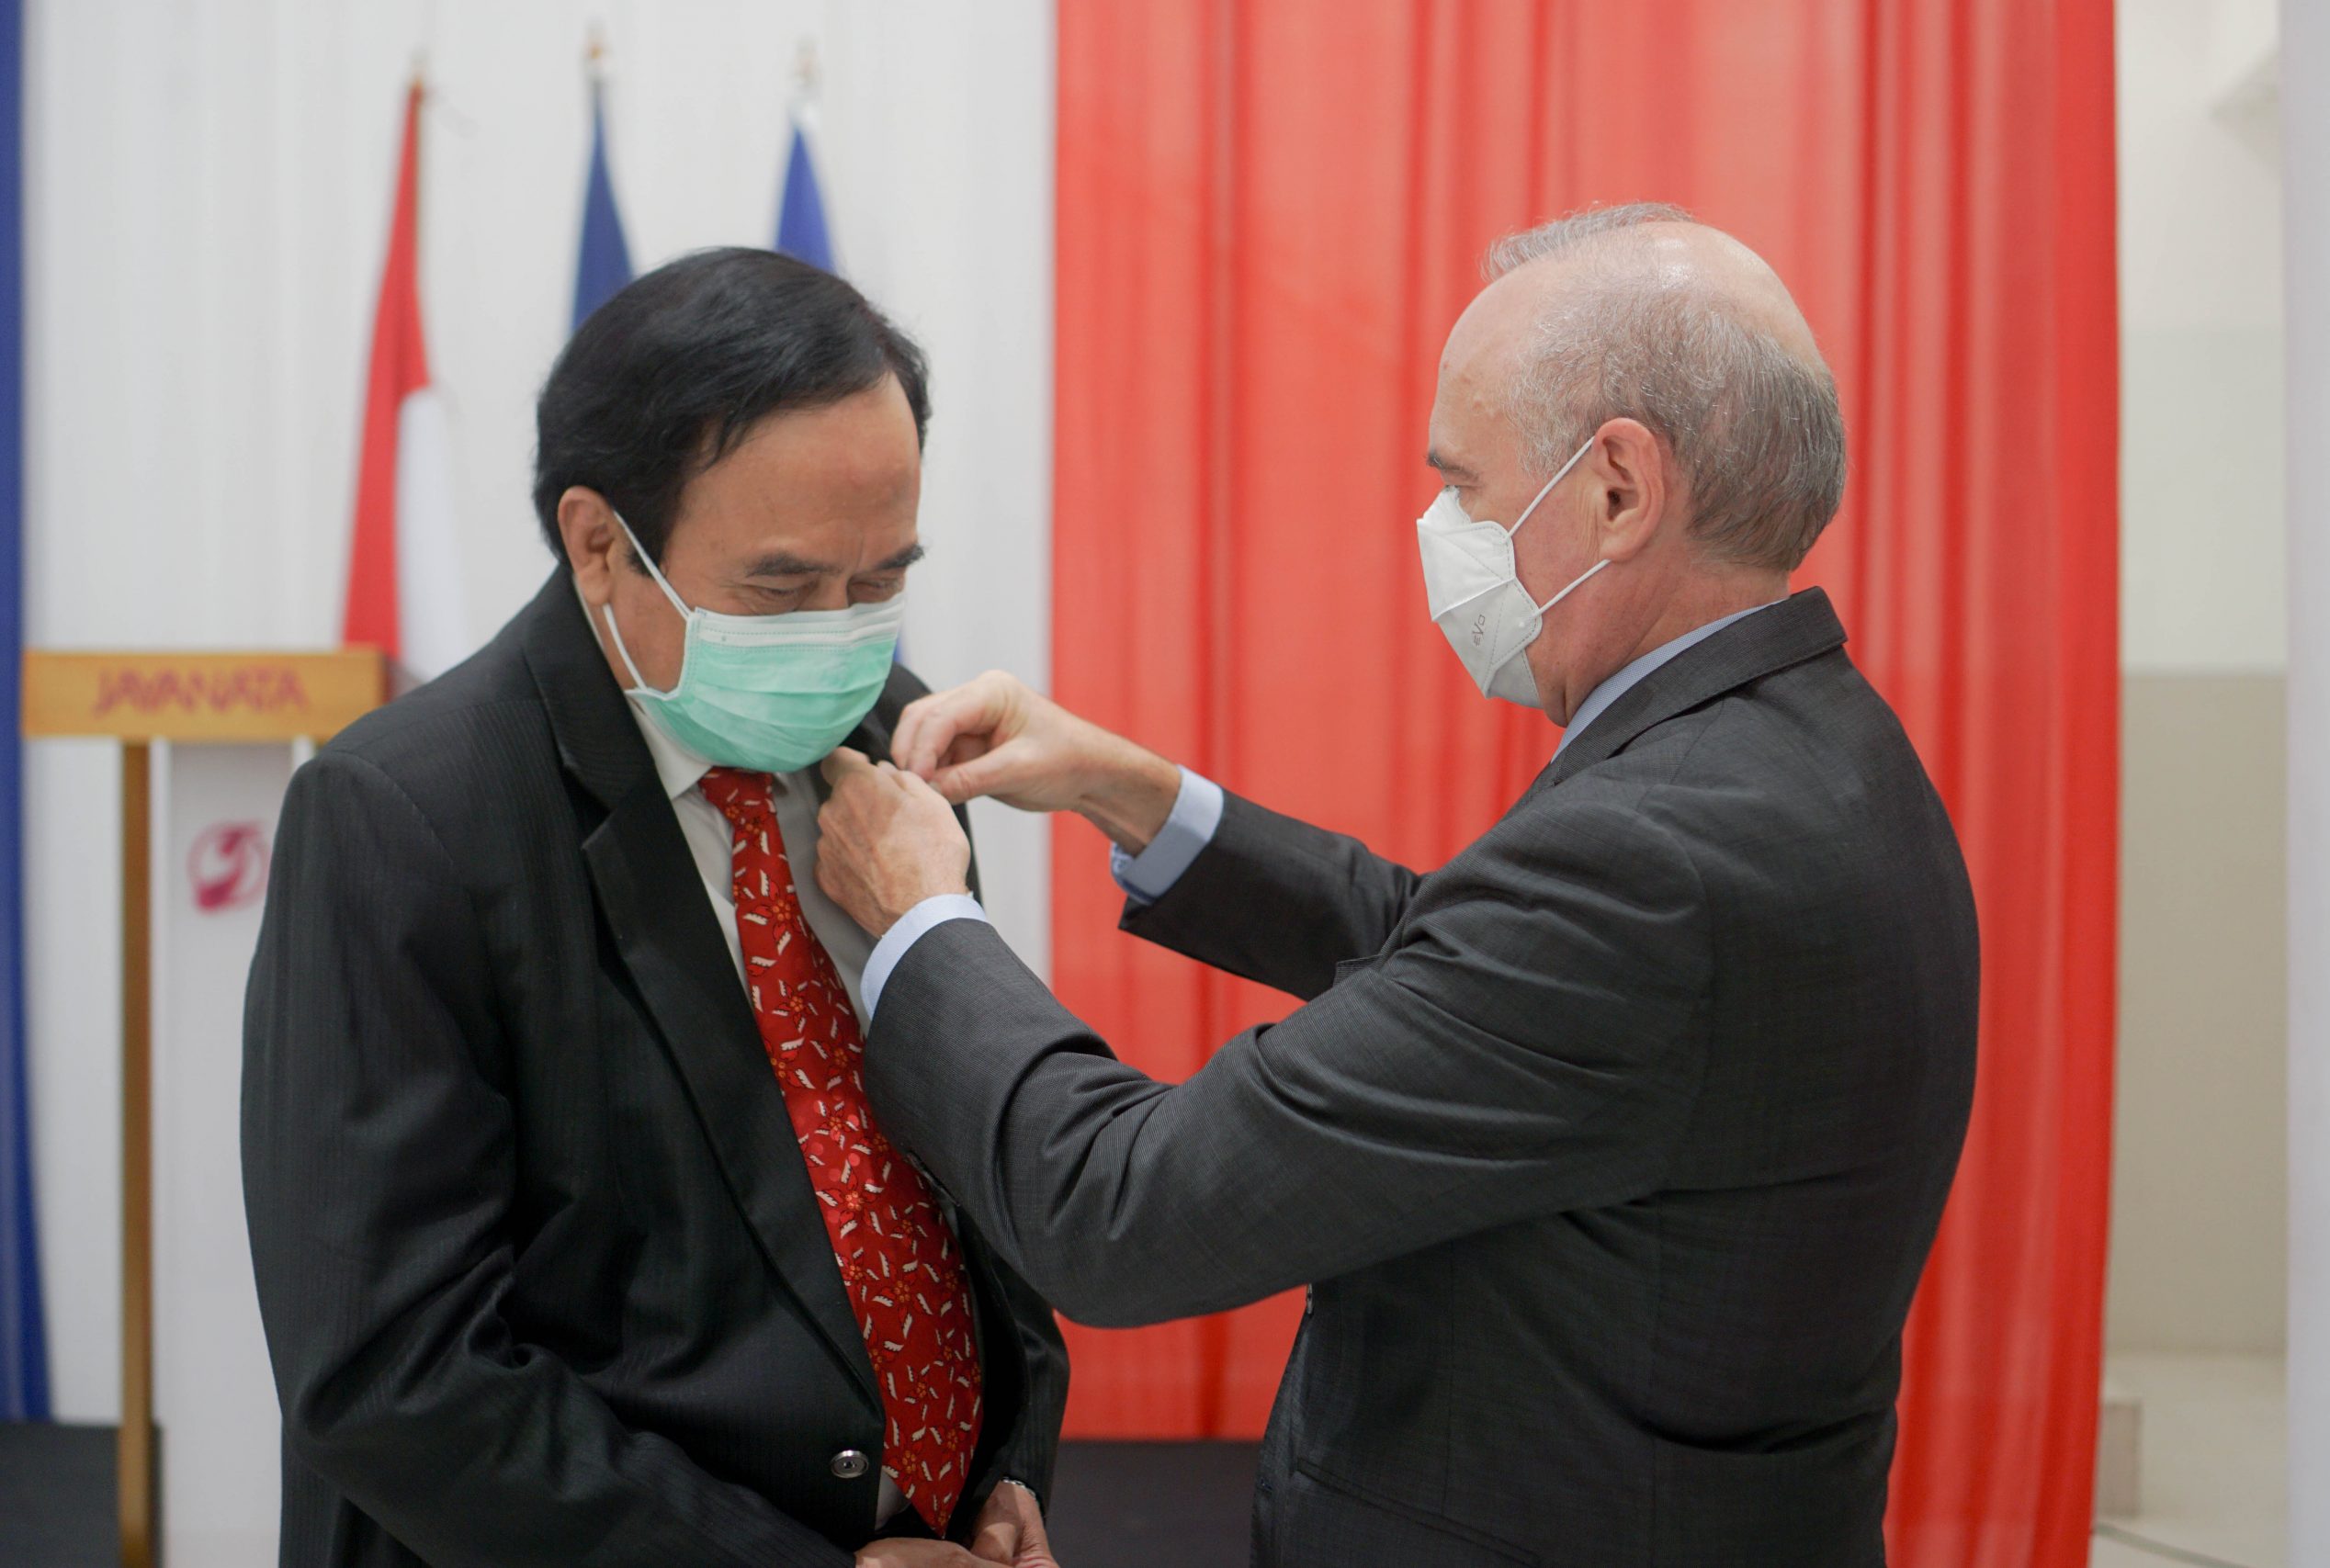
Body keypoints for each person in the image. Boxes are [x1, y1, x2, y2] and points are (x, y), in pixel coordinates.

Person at [812, 205, 1979, 1566]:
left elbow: (1119, 1209)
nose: (1441, 528)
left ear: (1618, 490)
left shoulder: (1655, 866)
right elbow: (1468, 967)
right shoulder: (1811, 744)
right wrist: (1129, 790)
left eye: (1467, 488)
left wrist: (923, 920)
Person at [243, 248, 1066, 1568]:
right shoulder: (405, 819)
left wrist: (1007, 1457)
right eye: (782, 588)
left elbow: (946, 1164)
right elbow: (393, 1378)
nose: (841, 634)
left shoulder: (891, 732)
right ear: (599, 544)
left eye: (880, 578)